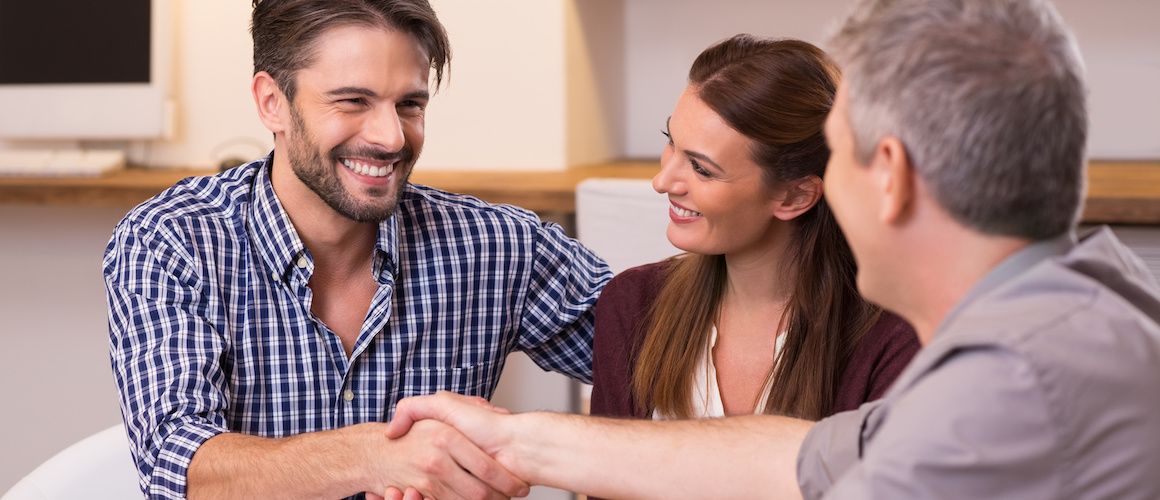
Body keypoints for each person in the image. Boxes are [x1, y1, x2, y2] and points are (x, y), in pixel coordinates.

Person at [382, 0, 1160, 498]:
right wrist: (515, 439)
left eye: (840, 150)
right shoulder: (1093, 315)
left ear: (883, 174)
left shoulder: (1001, 395)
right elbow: (795, 459)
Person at [102, 0, 610, 498]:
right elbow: (182, 470)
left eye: (410, 104)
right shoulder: (170, 241)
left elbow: (675, 360)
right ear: (270, 102)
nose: (391, 138)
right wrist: (378, 456)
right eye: (353, 101)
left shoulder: (496, 247)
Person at [591, 35, 917, 423]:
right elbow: (607, 479)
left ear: (796, 197)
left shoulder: (893, 337)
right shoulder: (633, 305)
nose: (662, 181)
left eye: (701, 168)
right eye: (670, 143)